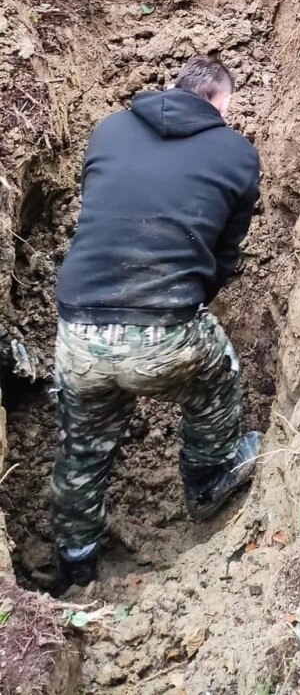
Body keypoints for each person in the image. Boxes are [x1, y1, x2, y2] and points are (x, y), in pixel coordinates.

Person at [51, 55, 261, 588]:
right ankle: (209, 480)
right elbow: (224, 256)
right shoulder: (236, 154)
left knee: (82, 445)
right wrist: (186, 300)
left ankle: (76, 560)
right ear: (219, 101)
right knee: (218, 375)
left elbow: (101, 211)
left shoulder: (109, 130)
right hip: (165, 334)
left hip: (79, 332)